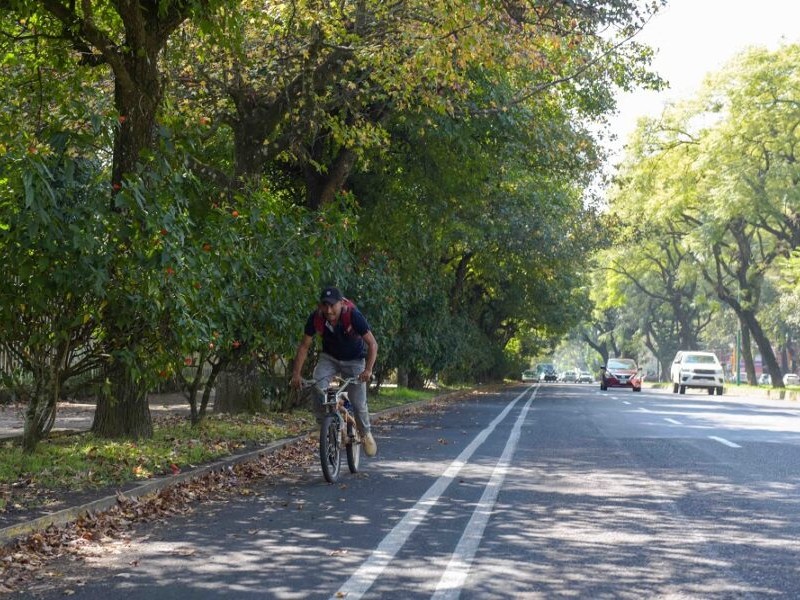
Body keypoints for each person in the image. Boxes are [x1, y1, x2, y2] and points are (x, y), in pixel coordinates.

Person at [291, 286, 378, 457]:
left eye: (332, 306)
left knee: (358, 402)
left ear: (341, 304)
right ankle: (322, 424)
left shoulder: (353, 316)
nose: (329, 310)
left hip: (354, 360)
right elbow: (304, 346)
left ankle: (366, 433)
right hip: (329, 358)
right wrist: (296, 374)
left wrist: (368, 370)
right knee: (317, 385)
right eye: (325, 305)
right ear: (320, 306)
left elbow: (373, 344)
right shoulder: (316, 317)